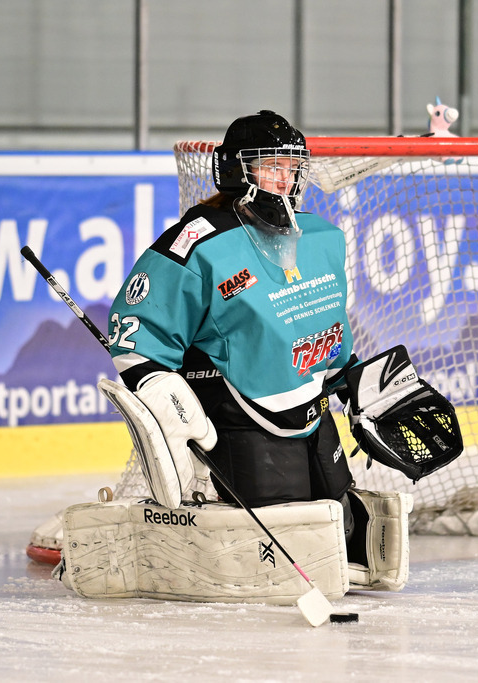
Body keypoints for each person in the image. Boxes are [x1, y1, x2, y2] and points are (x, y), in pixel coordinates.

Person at [105, 110, 367, 561]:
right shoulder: (200, 241)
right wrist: (158, 387)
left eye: (292, 167)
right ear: (235, 169)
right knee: (285, 532)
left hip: (313, 413)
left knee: (344, 526)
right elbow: (135, 329)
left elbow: (325, 329)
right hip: (239, 416)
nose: (284, 180)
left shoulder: (323, 237)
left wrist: (358, 383)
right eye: (271, 167)